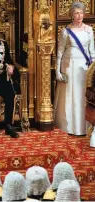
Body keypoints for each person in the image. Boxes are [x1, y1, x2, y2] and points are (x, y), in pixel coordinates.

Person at [54, 2, 95, 136]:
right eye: (77, 13)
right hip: (69, 66)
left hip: (84, 68)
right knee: (70, 95)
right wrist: (57, 71)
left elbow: (92, 52)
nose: (79, 16)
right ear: (72, 15)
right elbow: (59, 52)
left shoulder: (89, 30)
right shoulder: (66, 31)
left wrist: (93, 70)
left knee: (83, 96)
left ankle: (84, 127)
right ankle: (69, 127)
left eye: (81, 13)